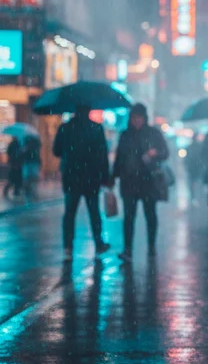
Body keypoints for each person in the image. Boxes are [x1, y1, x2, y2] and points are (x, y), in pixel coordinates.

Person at [112, 103, 169, 261]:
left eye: (139, 117)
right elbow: (120, 157)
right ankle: (128, 249)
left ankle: (151, 247)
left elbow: (165, 152)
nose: (136, 121)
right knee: (129, 217)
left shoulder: (153, 134)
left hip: (148, 181)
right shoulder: (125, 135)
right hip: (129, 181)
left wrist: (155, 153)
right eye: (134, 118)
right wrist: (112, 176)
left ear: (144, 118)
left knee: (150, 215)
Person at [52, 108, 111, 260]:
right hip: (91, 177)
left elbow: (56, 151)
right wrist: (105, 176)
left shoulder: (65, 128)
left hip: (72, 177)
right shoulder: (96, 128)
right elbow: (102, 154)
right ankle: (98, 244)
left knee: (70, 213)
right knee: (94, 212)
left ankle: (68, 247)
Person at [185, 133, 204, 204]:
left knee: (193, 183)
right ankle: (196, 196)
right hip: (195, 167)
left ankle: (194, 197)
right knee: (196, 182)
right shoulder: (199, 146)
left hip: (194, 167)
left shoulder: (191, 147)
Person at [22, 134, 41, 200]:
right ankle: (33, 192)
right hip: (33, 163)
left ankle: (29, 192)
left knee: (28, 179)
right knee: (33, 179)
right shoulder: (36, 144)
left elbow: (23, 154)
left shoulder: (26, 145)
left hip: (28, 163)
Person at [4, 135, 23, 199]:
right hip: (16, 163)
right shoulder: (19, 145)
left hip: (14, 163)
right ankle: (15, 191)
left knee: (13, 178)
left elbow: (8, 153)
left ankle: (14, 191)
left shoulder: (13, 144)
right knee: (16, 178)